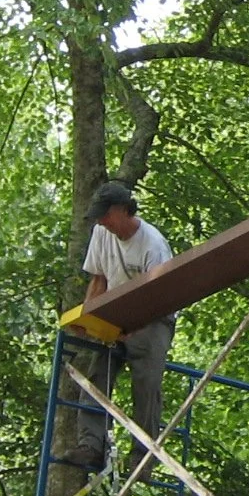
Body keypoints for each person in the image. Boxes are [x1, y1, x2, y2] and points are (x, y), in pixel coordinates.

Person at [64, 180, 178, 473]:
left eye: (106, 214)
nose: (102, 220)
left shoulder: (153, 245)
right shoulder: (102, 233)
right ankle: (91, 446)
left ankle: (143, 456)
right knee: (95, 375)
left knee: (146, 382)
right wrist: (87, 318)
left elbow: (163, 297)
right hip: (117, 316)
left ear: (123, 209)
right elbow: (99, 280)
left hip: (154, 317)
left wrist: (135, 325)